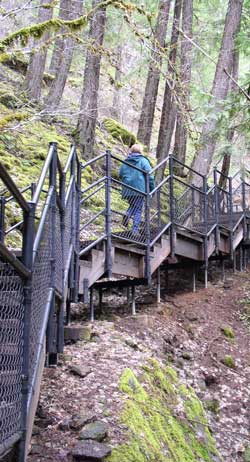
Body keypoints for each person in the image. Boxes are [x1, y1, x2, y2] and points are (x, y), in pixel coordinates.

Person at [119, 144, 155, 234]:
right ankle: (135, 231)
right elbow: (149, 176)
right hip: (139, 189)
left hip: (127, 188)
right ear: (140, 151)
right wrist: (152, 189)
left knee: (133, 206)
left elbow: (120, 174)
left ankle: (127, 214)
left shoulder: (125, 161)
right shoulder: (143, 160)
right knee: (138, 209)